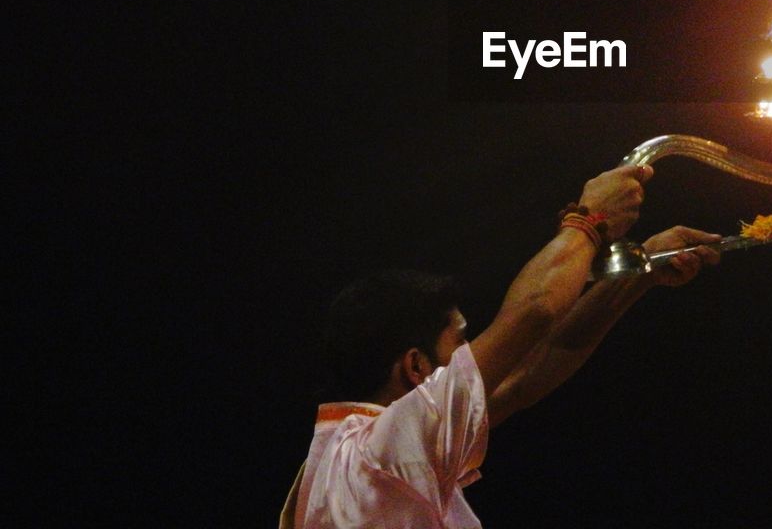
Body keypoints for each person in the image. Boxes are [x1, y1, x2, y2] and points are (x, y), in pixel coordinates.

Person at [280, 163, 721, 528]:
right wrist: (589, 221)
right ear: (416, 367)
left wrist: (636, 276)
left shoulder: (372, 452)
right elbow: (536, 311)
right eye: (462, 342)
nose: (476, 356)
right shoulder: (382, 452)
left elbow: (534, 369)